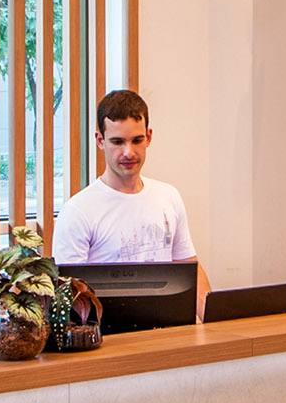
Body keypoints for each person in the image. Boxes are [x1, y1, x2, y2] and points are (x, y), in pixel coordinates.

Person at [52, 91, 199, 279]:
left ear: (148, 137)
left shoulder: (169, 196)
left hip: (164, 310)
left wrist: (213, 309)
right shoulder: (78, 211)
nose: (128, 152)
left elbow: (188, 271)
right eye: (118, 142)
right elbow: (67, 293)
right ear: (100, 141)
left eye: (137, 140)